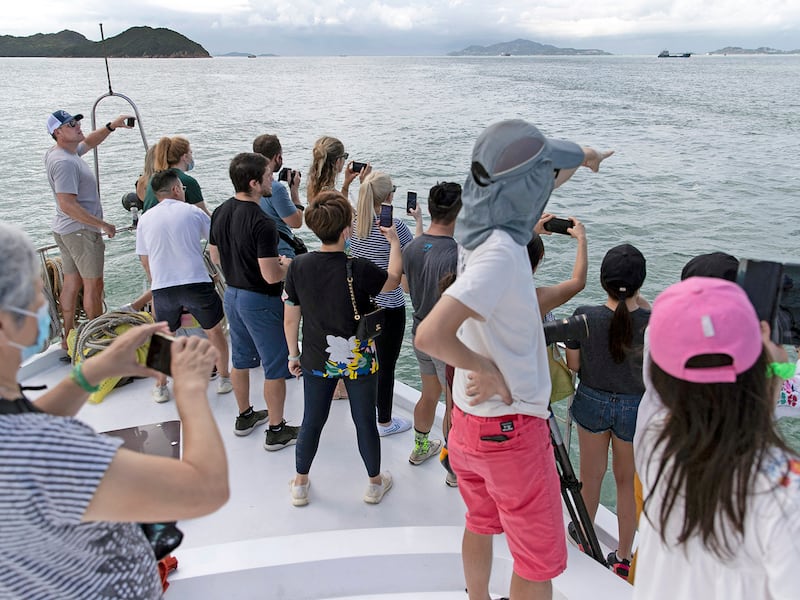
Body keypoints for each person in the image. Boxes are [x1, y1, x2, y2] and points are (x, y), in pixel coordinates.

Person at [416, 118, 613, 600]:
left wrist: (584, 155)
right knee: (536, 559)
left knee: (479, 523)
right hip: (511, 433)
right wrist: (484, 367)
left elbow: (543, 172)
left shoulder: (474, 227)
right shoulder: (502, 253)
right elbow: (431, 334)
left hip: (467, 426)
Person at [0, 222, 228, 599]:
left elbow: (20, 429)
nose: (45, 301)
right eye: (34, 292)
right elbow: (205, 489)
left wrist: (92, 373)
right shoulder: (46, 449)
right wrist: (189, 390)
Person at [634, 276, 799, 599]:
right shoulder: (785, 497)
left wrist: (763, 364)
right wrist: (777, 369)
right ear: (758, 371)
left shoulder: (656, 443)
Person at [284, 191, 402, 506]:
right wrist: (393, 242)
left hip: (316, 357)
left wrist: (293, 355)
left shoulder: (298, 266)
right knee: (365, 421)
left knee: (312, 420)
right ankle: (374, 484)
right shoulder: (358, 267)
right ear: (346, 230)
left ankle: (300, 484)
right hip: (358, 359)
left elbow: (290, 317)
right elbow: (393, 281)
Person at [564, 243, 650, 580]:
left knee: (592, 478)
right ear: (640, 282)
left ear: (603, 281)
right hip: (634, 408)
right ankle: (623, 557)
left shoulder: (584, 315)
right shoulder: (653, 322)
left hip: (592, 401)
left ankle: (585, 540)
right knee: (627, 484)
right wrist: (641, 302)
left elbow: (573, 365)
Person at [208, 152, 299, 448]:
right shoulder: (262, 222)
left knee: (242, 359)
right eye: (268, 176)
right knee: (275, 367)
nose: (272, 178)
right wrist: (287, 266)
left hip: (232, 295)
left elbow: (215, 254)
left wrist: (239, 268)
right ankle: (276, 430)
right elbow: (271, 276)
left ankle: (245, 415)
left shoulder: (220, 211)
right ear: (254, 183)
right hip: (260, 300)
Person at [135, 168, 233, 402]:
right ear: (177, 189)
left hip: (163, 287)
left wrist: (156, 280)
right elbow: (215, 240)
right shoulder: (192, 211)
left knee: (164, 337)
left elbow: (144, 257)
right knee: (214, 330)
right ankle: (224, 378)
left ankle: (160, 386)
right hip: (195, 282)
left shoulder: (145, 218)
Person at [45, 109, 134, 349]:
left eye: (76, 122)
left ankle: (68, 338)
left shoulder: (64, 153)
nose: (77, 126)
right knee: (94, 286)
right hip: (81, 232)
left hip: (66, 231)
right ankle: (95, 341)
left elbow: (88, 142)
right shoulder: (64, 162)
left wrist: (111, 126)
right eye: (70, 124)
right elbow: (67, 203)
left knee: (72, 284)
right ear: (57, 132)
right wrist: (102, 224)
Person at [350, 172, 415, 436]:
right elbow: (405, 277)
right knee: (386, 366)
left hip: (362, 304)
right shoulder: (396, 228)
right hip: (389, 308)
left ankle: (363, 413)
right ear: (389, 197)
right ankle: (385, 422)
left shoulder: (355, 224)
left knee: (366, 361)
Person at [402, 181, 462, 464]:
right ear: (458, 211)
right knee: (453, 404)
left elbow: (404, 287)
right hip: (446, 341)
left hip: (419, 332)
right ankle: (452, 468)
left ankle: (420, 446)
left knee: (428, 395)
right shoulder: (457, 255)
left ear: (429, 208)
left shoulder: (412, 247)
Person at [252, 134, 305, 258]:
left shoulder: (249, 184)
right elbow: (296, 223)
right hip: (281, 254)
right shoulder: (275, 189)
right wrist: (294, 191)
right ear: (277, 157)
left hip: (258, 252)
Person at [527, 213, 588, 317]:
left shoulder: (494, 290)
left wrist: (530, 233)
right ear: (540, 257)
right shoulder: (536, 300)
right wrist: (581, 239)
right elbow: (578, 281)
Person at [142, 136, 210, 216]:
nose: (192, 157)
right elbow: (204, 216)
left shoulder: (154, 179)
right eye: (191, 153)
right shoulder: (187, 181)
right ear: (185, 157)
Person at [306, 136, 370, 203]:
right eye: (345, 156)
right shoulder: (335, 197)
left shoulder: (312, 188)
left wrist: (346, 184)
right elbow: (362, 212)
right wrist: (365, 184)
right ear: (337, 162)